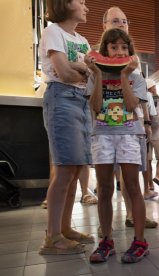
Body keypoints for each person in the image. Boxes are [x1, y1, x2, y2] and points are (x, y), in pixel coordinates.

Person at [85, 28, 149, 263]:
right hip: (101, 135)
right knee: (104, 189)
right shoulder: (94, 76)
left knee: (133, 188)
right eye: (113, 47)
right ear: (105, 50)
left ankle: (140, 241)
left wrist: (124, 76)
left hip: (129, 135)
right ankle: (106, 241)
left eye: (124, 47)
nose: (119, 52)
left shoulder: (137, 78)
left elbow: (132, 106)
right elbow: (96, 105)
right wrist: (98, 74)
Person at [38, 0, 94, 255]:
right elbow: (64, 74)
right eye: (80, 1)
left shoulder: (82, 40)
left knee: (74, 169)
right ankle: (52, 236)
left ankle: (64, 228)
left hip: (81, 102)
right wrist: (80, 69)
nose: (86, 6)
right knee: (63, 170)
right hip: (61, 98)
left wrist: (79, 69)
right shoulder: (53, 31)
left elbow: (92, 74)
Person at [100, 6, 158, 229]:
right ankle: (106, 225)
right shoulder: (98, 63)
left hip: (130, 128)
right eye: (115, 21)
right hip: (104, 129)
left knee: (131, 176)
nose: (121, 24)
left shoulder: (133, 68)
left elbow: (137, 102)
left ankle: (134, 215)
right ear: (104, 25)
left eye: (124, 21)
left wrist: (145, 123)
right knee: (106, 182)